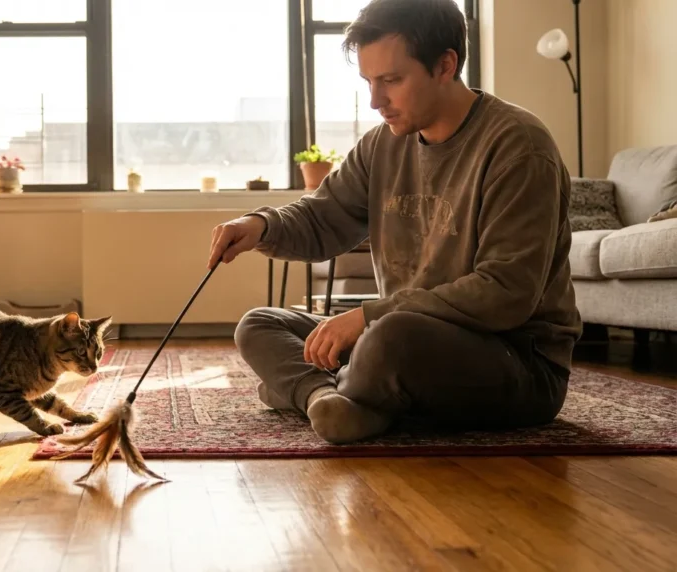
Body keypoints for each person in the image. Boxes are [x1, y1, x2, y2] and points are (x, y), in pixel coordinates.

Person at [207, 0, 582, 444]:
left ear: (445, 65)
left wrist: (368, 318)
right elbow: (323, 215)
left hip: (515, 361)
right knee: (260, 324)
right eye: (369, 82)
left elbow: (505, 292)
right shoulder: (381, 144)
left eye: (391, 80)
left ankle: (311, 389)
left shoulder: (519, 147)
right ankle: (329, 399)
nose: (375, 101)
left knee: (389, 337)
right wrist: (260, 225)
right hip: (399, 339)